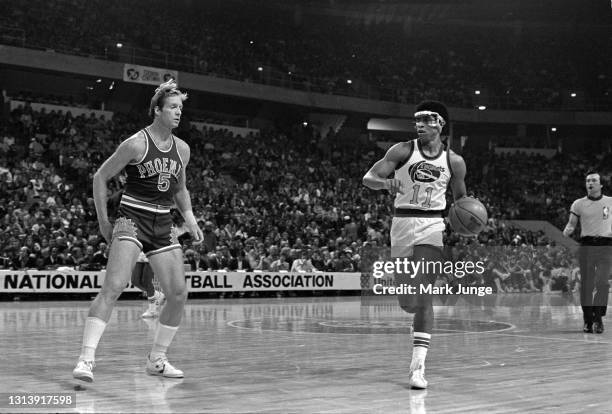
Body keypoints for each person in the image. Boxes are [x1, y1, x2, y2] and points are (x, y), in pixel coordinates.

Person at [72, 80, 203, 382]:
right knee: (114, 286)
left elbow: (180, 188)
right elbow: (100, 177)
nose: (178, 113)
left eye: (180, 108)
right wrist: (104, 222)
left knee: (178, 294)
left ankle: (157, 359)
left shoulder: (182, 149)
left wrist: (191, 219)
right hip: (132, 218)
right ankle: (86, 359)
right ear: (157, 110)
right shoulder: (135, 143)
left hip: (163, 223)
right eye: (172, 107)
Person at [363, 100, 466, 389]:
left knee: (423, 294)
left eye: (426, 119)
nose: (418, 124)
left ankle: (417, 367)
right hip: (402, 223)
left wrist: (470, 220)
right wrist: (385, 185)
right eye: (416, 120)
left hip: (432, 226)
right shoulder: (402, 150)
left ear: (440, 124)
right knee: (408, 301)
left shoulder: (454, 161)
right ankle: (414, 316)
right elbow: (368, 178)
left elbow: (461, 203)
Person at [563, 171, 612, 334]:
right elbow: (571, 224)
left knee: (603, 283)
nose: (590, 183)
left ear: (600, 184)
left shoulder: (610, 202)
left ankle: (598, 318)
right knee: (587, 286)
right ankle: (587, 321)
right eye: (588, 181)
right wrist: (567, 230)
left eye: (594, 180)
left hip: (606, 246)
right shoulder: (578, 204)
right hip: (587, 245)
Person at [132, 251, 166, 318]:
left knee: (147, 281)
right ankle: (157, 294)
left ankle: (152, 310)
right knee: (135, 281)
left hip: (152, 249)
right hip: (140, 250)